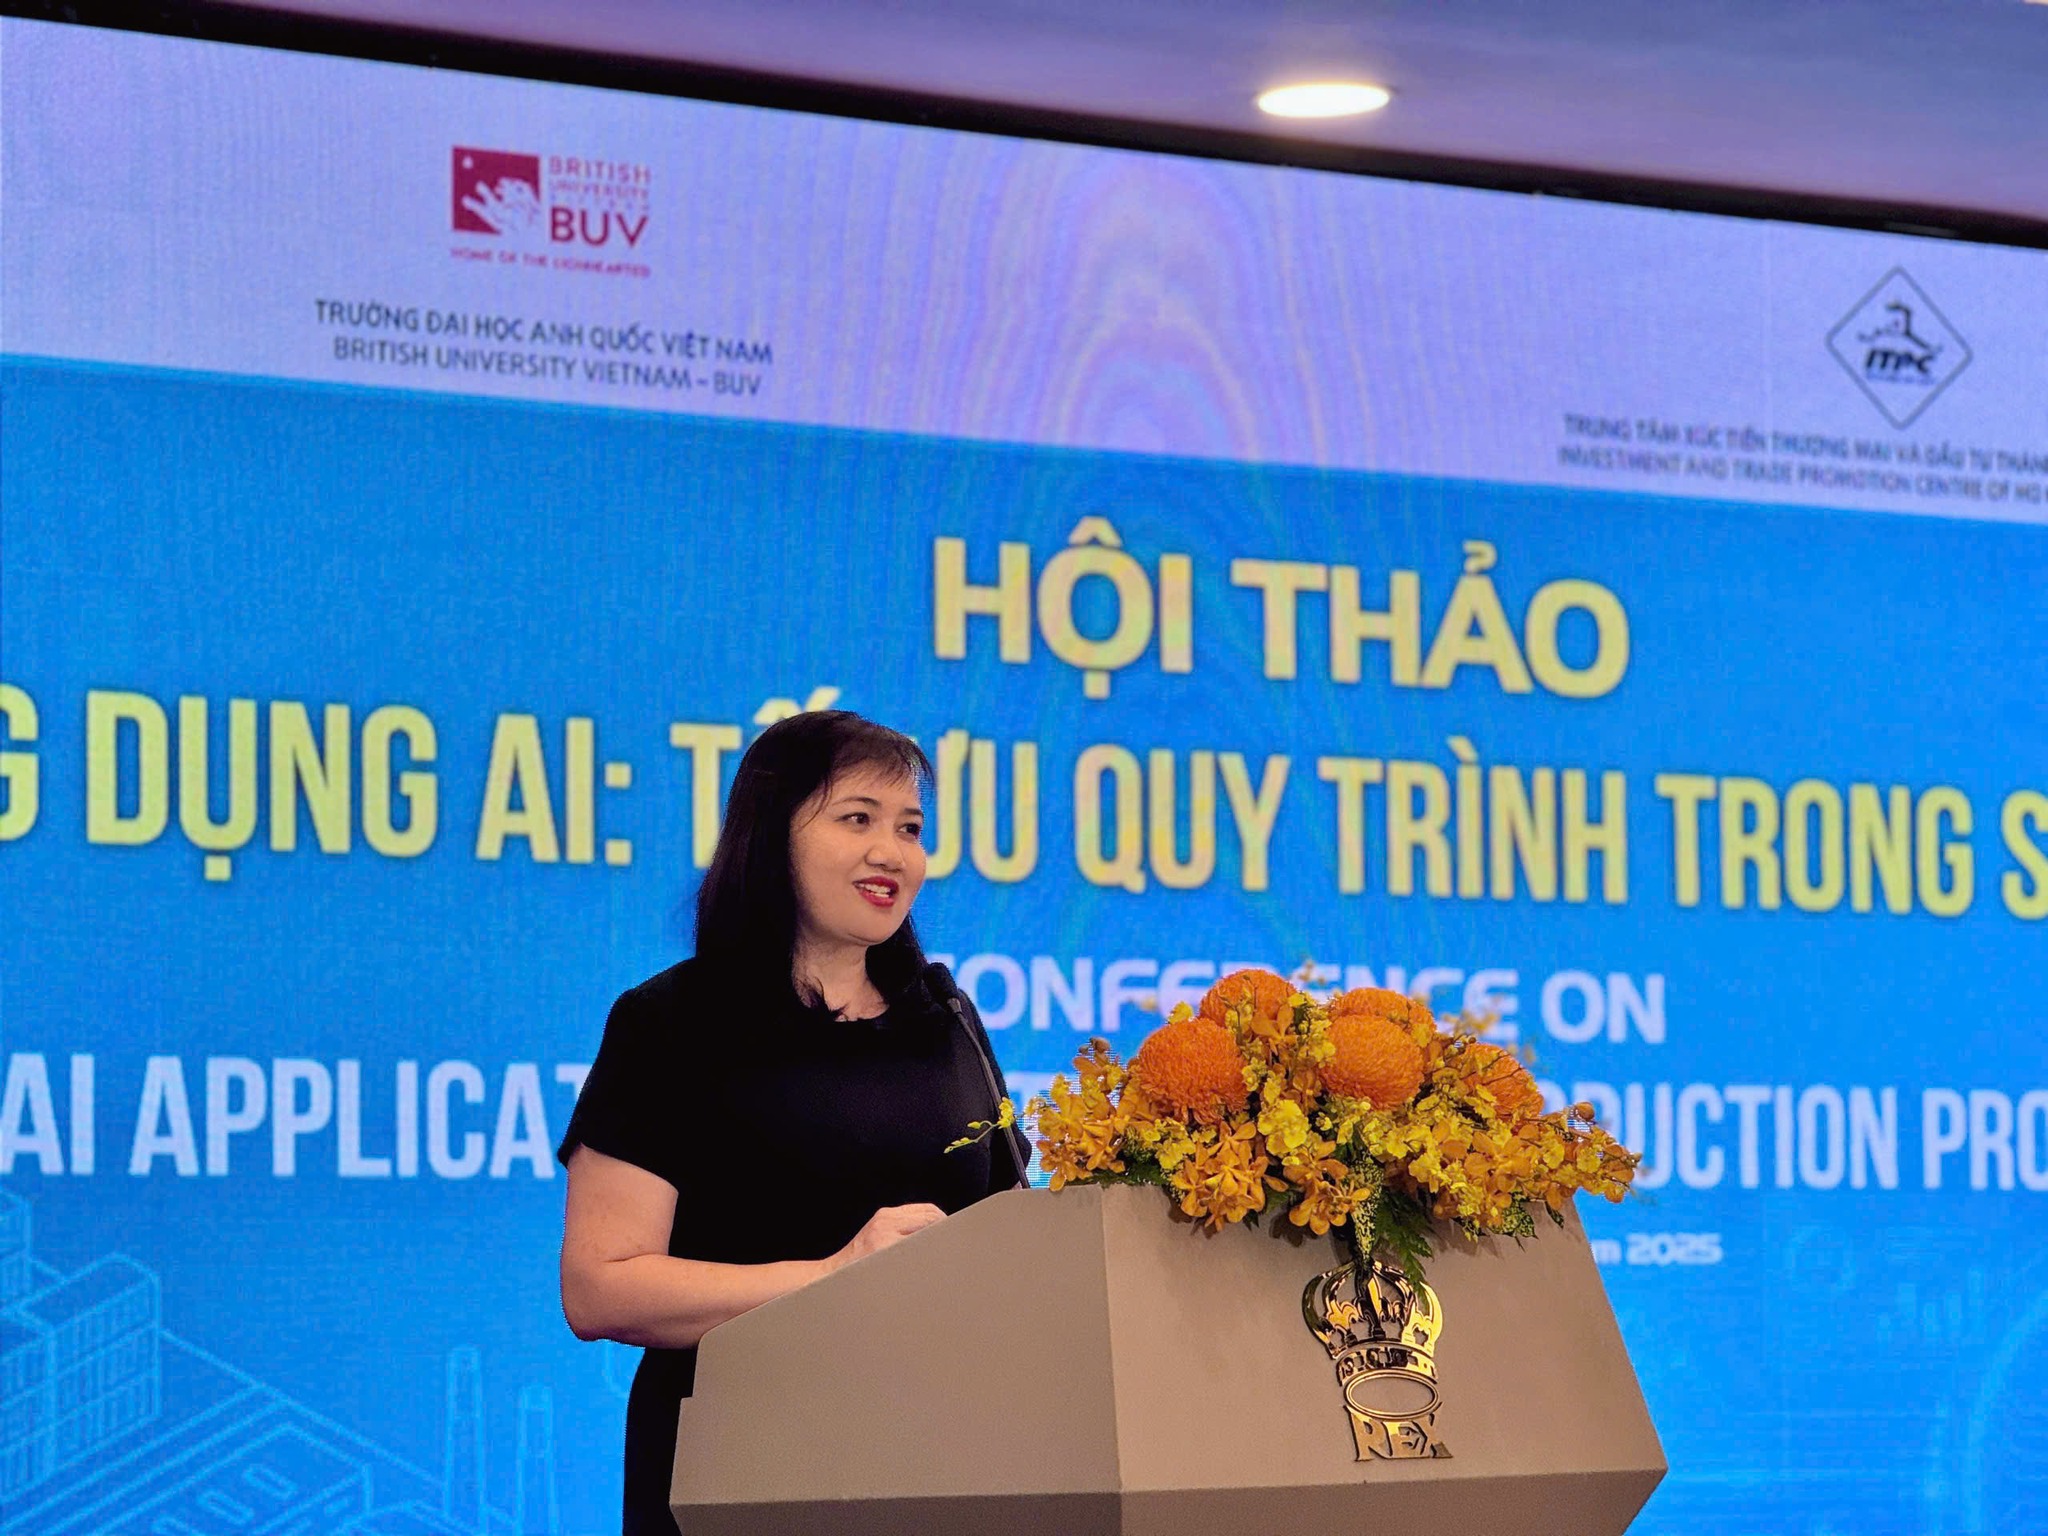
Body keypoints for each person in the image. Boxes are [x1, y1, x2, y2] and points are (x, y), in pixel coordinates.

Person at [557, 711, 1029, 1535]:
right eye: (858, 819)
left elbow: (1013, 1237)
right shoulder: (672, 1025)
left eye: (910, 828)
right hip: (739, 1462)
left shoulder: (945, 1018)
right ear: (773, 835)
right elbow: (600, 1287)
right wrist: (834, 1275)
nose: (893, 853)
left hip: (941, 1460)